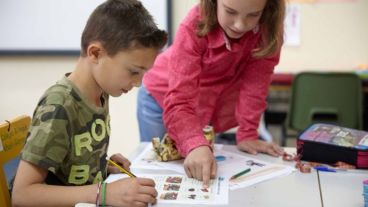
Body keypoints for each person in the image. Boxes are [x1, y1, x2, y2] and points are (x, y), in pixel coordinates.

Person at [12, 0, 167, 206]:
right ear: (95, 53)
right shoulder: (60, 105)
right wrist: (102, 193)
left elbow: (68, 164)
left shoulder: (101, 93)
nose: (139, 83)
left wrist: (100, 165)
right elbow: (23, 195)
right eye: (133, 71)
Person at [137, 0, 285, 187]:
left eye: (253, 15)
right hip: (162, 95)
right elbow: (180, 98)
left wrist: (248, 133)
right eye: (230, 11)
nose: (240, 24)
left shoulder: (268, 31)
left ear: (267, 8)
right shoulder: (194, 24)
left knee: (199, 170)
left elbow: (255, 86)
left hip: (202, 105)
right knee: (160, 172)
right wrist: (194, 143)